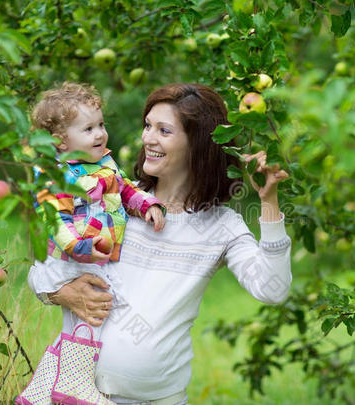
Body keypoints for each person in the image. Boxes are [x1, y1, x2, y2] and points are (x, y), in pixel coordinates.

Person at [27, 83, 292, 405]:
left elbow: (273, 289)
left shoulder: (221, 226)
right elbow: (41, 269)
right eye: (148, 126)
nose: (148, 138)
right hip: (76, 395)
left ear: (197, 144)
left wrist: (269, 201)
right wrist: (61, 292)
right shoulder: (113, 198)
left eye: (164, 131)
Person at [18, 82, 165, 405]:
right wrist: (81, 247)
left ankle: (41, 391)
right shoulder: (55, 175)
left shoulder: (104, 163)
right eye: (88, 128)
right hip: (71, 258)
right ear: (60, 141)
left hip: (93, 253)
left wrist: (145, 204)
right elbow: (55, 220)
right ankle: (73, 382)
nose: (100, 134)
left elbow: (125, 188)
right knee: (91, 313)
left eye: (101, 125)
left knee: (83, 318)